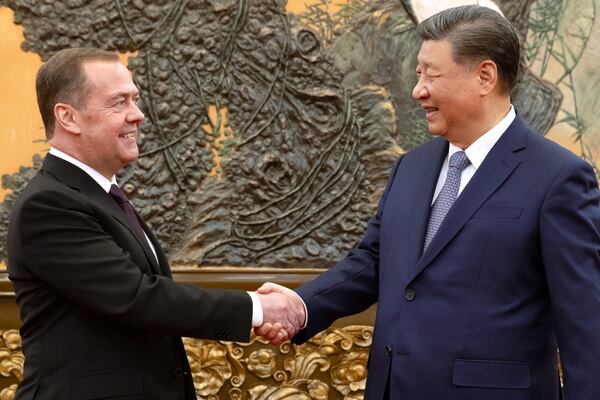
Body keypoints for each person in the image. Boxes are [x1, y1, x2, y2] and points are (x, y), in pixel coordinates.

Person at [257, 5, 600, 399]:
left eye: (431, 75)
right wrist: (302, 305)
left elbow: (585, 325)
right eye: (418, 74)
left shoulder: (559, 177)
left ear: (485, 76)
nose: (417, 89)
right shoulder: (411, 167)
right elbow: (373, 260)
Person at [7, 48, 304, 400]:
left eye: (135, 99)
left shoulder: (100, 194)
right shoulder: (49, 204)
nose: (138, 115)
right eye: (119, 103)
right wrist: (256, 308)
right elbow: (136, 298)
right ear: (68, 117)